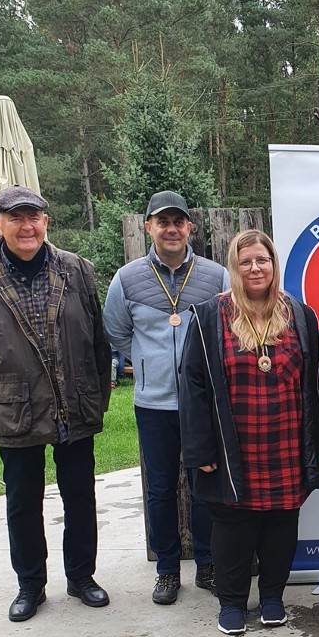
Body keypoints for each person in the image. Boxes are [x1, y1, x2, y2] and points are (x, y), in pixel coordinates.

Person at [0, 186, 111, 621]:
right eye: (16, 218)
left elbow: (99, 344)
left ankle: (82, 577)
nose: (27, 227)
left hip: (73, 406)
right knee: (22, 500)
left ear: (46, 222)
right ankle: (30, 584)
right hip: (14, 407)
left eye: (34, 218)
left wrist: (97, 400)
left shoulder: (76, 270)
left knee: (79, 496)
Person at [179, 231, 319, 635]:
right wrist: (200, 450)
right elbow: (193, 387)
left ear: (274, 264)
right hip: (234, 447)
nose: (255, 268)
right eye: (245, 261)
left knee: (281, 525)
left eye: (262, 260)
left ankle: (271, 598)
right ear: (234, 267)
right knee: (233, 526)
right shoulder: (209, 316)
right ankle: (231, 602)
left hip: (286, 442)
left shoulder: (300, 315)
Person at [103, 191, 228, 606]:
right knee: (160, 490)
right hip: (153, 403)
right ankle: (167, 570)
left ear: (190, 227)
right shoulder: (127, 279)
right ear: (148, 227)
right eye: (162, 222)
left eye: (179, 221)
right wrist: (146, 360)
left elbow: (227, 329)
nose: (171, 229)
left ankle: (207, 563)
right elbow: (118, 333)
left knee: (204, 485)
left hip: (203, 404)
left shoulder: (216, 276)